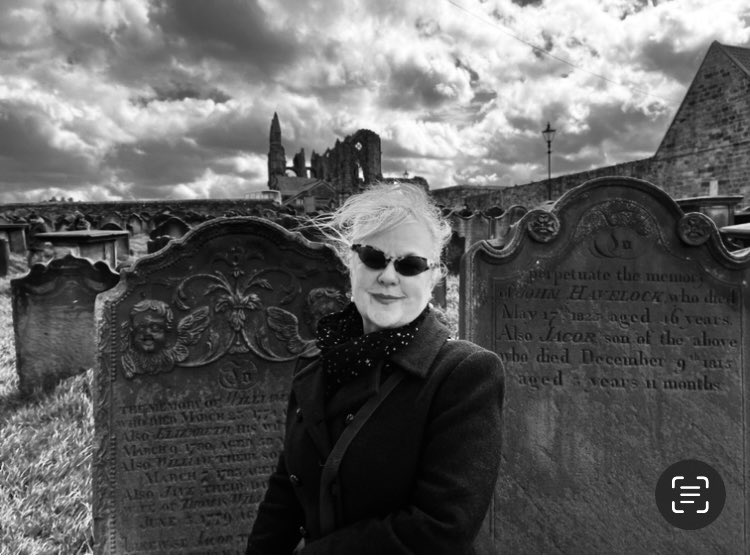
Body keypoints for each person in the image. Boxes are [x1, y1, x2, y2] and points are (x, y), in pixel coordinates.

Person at [246, 182, 504, 554]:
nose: (388, 276)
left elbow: (440, 529)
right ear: (349, 262)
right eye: (373, 257)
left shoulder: (464, 375)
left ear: (434, 277)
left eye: (410, 264)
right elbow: (287, 491)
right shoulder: (317, 363)